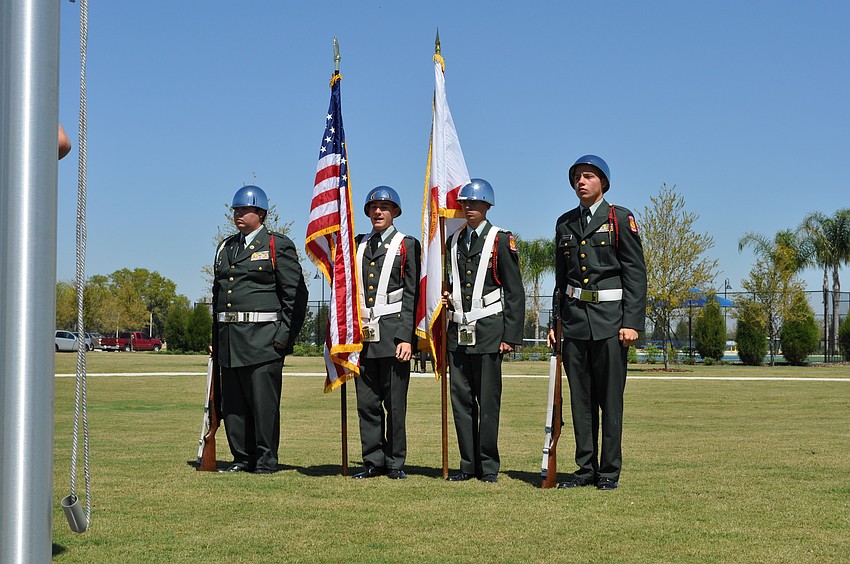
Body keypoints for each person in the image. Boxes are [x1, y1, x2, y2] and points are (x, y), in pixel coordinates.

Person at [547, 155, 647, 491]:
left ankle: (608, 471)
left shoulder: (619, 219)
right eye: (577, 177)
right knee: (581, 400)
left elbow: (635, 274)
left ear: (603, 182)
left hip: (610, 322)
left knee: (609, 399)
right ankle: (584, 469)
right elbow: (561, 279)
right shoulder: (565, 223)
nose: (581, 182)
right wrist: (555, 322)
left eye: (588, 176)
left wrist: (632, 321)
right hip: (575, 323)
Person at [212, 185, 308, 474]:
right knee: (234, 406)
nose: (238, 215)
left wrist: (284, 337)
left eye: (244, 210)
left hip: (264, 339)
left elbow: (296, 295)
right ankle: (242, 458)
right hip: (230, 340)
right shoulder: (226, 247)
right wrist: (215, 340)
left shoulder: (277, 245)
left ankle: (265, 460)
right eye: (236, 210)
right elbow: (218, 297)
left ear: (261, 213)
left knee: (263, 405)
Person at [443, 179, 524, 484]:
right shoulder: (453, 240)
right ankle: (467, 464)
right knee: (461, 402)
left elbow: (515, 291)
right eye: (465, 203)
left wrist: (510, 336)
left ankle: (488, 465)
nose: (469, 208)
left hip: (490, 330)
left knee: (488, 403)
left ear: (488, 206)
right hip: (458, 331)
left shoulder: (500, 239)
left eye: (475, 204)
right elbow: (453, 281)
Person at [351, 186, 421, 480]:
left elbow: (412, 293)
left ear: (395, 212)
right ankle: (373, 460)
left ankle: (394, 462)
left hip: (393, 335)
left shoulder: (407, 245)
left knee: (394, 404)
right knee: (367, 403)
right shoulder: (356, 244)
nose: (377, 212)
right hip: (362, 338)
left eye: (384, 207)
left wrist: (406, 337)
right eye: (373, 207)